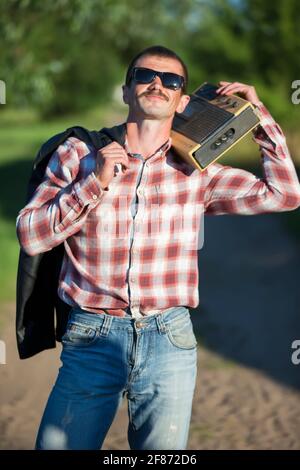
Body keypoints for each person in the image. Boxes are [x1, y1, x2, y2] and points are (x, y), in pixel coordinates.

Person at [16, 45, 300, 450]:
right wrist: (92, 183)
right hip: (93, 335)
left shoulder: (198, 173)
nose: (157, 84)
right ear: (127, 90)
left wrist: (259, 120)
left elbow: (286, 194)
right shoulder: (79, 154)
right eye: (145, 76)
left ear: (183, 100)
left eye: (171, 80)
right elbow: (30, 235)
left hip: (169, 339)